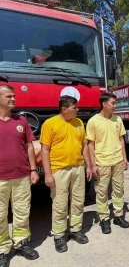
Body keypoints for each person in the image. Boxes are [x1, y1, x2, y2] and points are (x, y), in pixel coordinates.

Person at [40, 95, 92, 253]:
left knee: (78, 201)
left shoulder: (79, 123)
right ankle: (59, 235)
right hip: (59, 170)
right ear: (64, 109)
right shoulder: (50, 124)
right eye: (74, 108)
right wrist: (48, 174)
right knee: (60, 204)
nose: (78, 109)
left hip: (78, 168)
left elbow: (84, 146)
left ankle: (75, 230)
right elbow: (44, 150)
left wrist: (88, 165)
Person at [0, 85, 39, 267]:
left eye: (14, 96)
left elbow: (30, 146)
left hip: (22, 175)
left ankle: (22, 242)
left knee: (22, 212)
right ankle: (2, 249)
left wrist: (33, 170)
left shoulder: (21, 120)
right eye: (9, 96)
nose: (13, 99)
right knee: (0, 215)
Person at [86, 93, 129, 234]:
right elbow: (90, 145)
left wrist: (124, 158)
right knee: (102, 192)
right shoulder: (93, 121)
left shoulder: (118, 120)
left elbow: (121, 140)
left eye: (115, 103)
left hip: (117, 160)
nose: (115, 106)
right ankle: (104, 219)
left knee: (118, 190)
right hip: (102, 162)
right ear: (104, 104)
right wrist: (93, 165)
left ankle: (118, 215)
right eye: (113, 103)